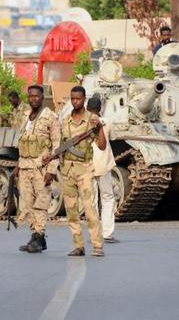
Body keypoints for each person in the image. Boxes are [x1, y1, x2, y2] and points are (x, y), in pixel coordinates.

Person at [58, 86, 106, 257]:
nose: (75, 102)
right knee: (71, 210)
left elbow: (102, 145)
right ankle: (78, 245)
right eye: (72, 99)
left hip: (84, 169)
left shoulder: (91, 120)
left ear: (84, 99)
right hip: (67, 169)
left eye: (78, 99)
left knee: (89, 209)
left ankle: (97, 245)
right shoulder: (65, 121)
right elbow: (60, 145)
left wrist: (100, 128)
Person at [15, 85, 61, 253]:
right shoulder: (26, 116)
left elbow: (57, 145)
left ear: (42, 97)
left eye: (36, 96)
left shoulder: (50, 117)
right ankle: (35, 237)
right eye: (31, 96)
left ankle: (40, 235)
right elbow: (23, 142)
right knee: (27, 204)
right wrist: (18, 166)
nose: (33, 98)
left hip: (41, 169)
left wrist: (51, 170)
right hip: (25, 166)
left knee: (40, 205)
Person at [86, 96, 119, 243]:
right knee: (107, 198)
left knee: (91, 201)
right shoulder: (107, 122)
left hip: (88, 165)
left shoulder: (83, 123)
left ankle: (94, 233)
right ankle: (107, 233)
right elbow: (112, 138)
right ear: (100, 108)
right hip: (104, 164)